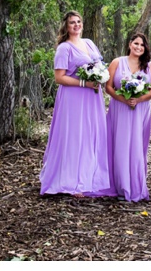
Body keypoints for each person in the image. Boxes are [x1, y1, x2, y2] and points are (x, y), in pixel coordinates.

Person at [40, 11, 114, 197]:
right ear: (66, 26)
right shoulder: (64, 48)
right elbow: (59, 77)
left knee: (90, 135)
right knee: (75, 137)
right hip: (73, 97)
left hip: (92, 97)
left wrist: (100, 78)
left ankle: (89, 178)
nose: (76, 25)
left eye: (79, 21)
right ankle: (72, 182)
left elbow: (99, 65)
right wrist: (84, 83)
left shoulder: (88, 43)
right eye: (72, 22)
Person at [105, 32, 151, 202]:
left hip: (140, 110)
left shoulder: (149, 66)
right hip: (120, 108)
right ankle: (121, 186)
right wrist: (123, 99)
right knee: (119, 145)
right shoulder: (117, 62)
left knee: (136, 145)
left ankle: (135, 185)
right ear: (129, 44)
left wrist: (138, 99)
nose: (139, 47)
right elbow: (109, 86)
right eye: (136, 43)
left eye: (142, 45)